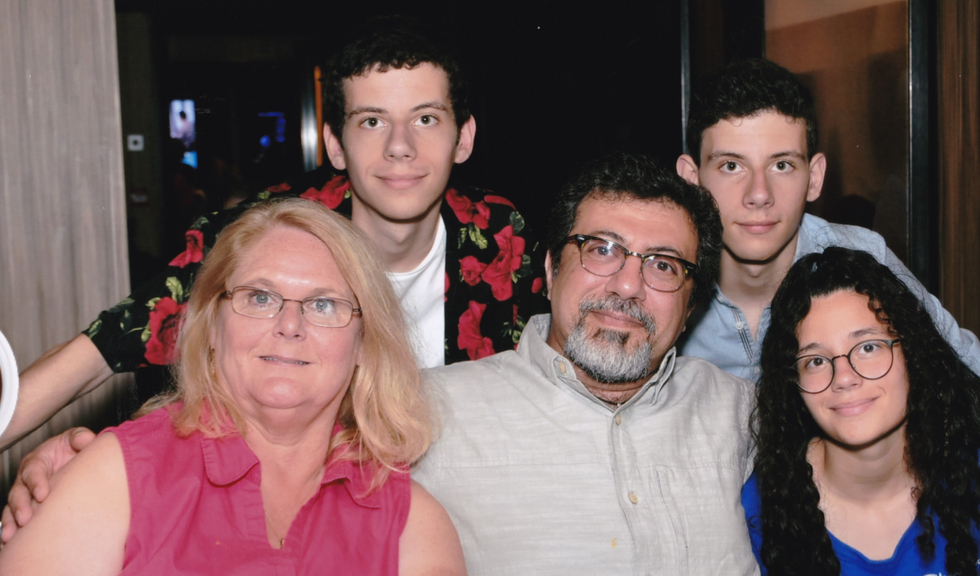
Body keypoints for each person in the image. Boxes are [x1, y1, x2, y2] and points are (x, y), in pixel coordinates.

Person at [0, 19, 548, 523]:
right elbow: (102, 350)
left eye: (425, 119)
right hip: (303, 516)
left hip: (463, 514)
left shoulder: (502, 239)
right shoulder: (269, 237)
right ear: (335, 144)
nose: (400, 147)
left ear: (465, 136)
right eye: (372, 121)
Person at [0, 199, 466, 575]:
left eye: (323, 305)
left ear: (365, 343)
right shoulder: (114, 478)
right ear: (212, 327)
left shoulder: (412, 526)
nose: (289, 325)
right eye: (260, 297)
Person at [411, 154, 758, 574]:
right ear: (552, 269)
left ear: (690, 309)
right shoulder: (424, 411)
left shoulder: (743, 414)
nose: (628, 285)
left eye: (663, 265)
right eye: (602, 249)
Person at [674, 58, 980, 395]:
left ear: (814, 178)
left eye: (782, 165)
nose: (759, 195)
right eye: (731, 166)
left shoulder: (862, 260)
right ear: (692, 180)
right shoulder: (660, 282)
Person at [742, 247, 980, 575]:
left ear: (912, 354)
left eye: (867, 347)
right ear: (794, 383)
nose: (844, 378)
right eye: (816, 361)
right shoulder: (764, 509)